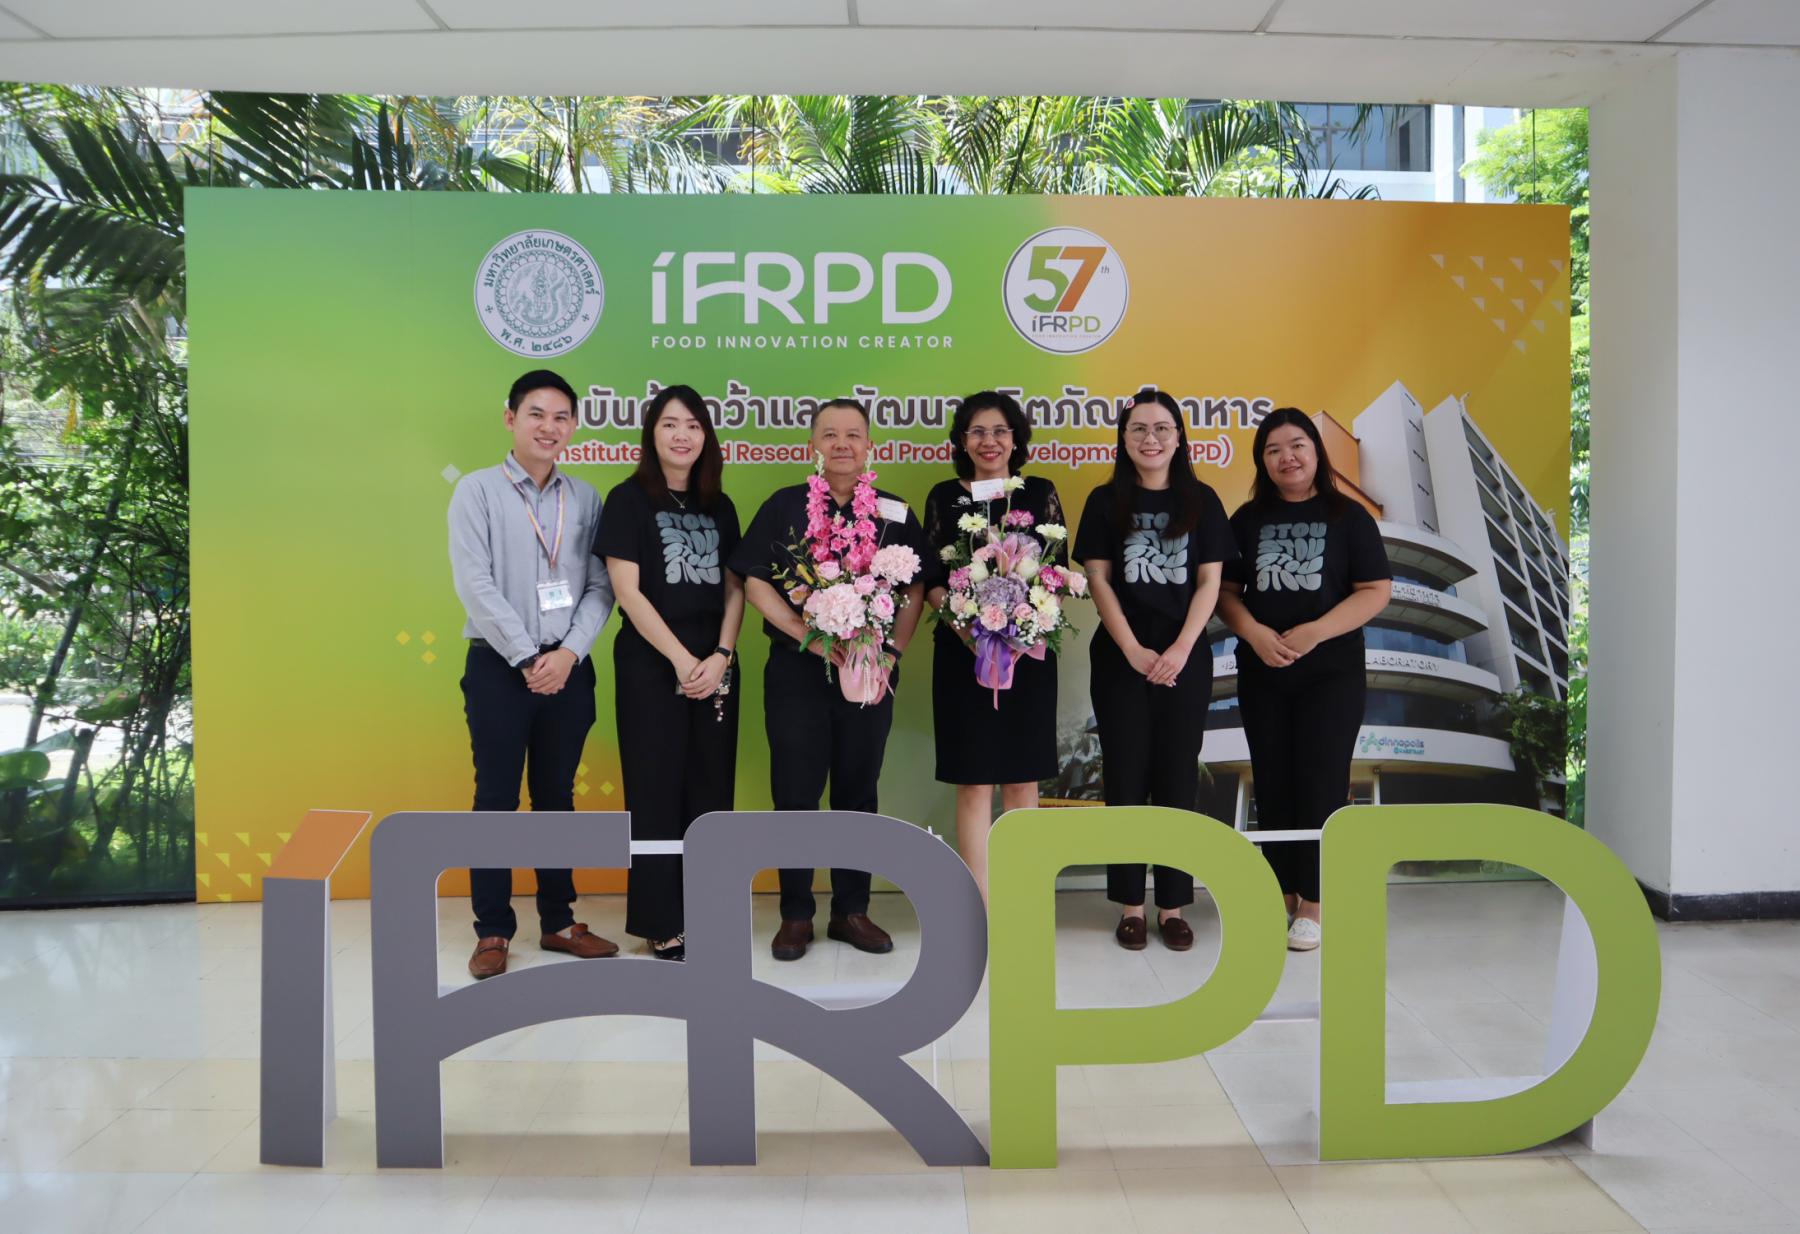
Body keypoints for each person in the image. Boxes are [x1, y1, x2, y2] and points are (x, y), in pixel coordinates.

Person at [728, 397, 927, 961]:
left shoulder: (893, 511)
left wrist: (893, 652)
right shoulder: (785, 505)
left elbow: (916, 587)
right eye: (830, 434)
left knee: (858, 791)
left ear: (870, 446)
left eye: (853, 434)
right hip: (796, 672)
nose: (842, 444)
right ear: (813, 445)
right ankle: (795, 914)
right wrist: (804, 633)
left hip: (868, 673)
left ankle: (851, 910)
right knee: (795, 793)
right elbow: (753, 579)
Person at [448, 369, 619, 980]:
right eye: (536, 414)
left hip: (568, 669)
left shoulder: (587, 498)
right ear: (511, 418)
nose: (549, 427)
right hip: (500, 666)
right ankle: (492, 929)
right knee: (495, 796)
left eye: (561, 417)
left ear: (573, 426)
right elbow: (475, 584)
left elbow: (601, 586)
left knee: (556, 797)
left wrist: (568, 654)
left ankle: (559, 921)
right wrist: (526, 658)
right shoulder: (477, 491)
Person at [1216, 408, 1392, 952]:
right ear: (1261, 461)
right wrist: (1254, 634)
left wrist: (1315, 631)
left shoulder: (1349, 517)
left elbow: (1375, 590)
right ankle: (1282, 892)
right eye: (1273, 450)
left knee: (1322, 781)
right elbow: (1225, 593)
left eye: (1297, 445)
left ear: (1316, 451)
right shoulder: (1246, 520)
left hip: (1331, 674)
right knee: (1272, 781)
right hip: (1264, 671)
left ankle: (1315, 902)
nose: (1286, 457)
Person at [1074, 388, 1237, 952]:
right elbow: (1098, 579)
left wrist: (1182, 649)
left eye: (1162, 428)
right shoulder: (1104, 500)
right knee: (1124, 777)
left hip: (1185, 659)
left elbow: (1210, 582)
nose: (1151, 438)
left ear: (1179, 437)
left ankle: (1172, 906)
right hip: (1120, 659)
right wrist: (1133, 649)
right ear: (1124, 438)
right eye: (1139, 428)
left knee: (1176, 777)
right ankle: (1130, 906)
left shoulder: (1202, 500)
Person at [598, 384, 743, 963]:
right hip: (652, 667)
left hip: (716, 665)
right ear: (651, 434)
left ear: (706, 436)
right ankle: (661, 922)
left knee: (711, 789)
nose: (682, 435)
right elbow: (627, 592)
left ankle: (709, 909)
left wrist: (722, 655)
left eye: (693, 425)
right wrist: (682, 660)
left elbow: (735, 589)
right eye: (669, 424)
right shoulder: (627, 499)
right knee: (654, 790)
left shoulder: (719, 505)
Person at [921, 390, 1065, 901]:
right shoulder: (944, 496)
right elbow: (932, 577)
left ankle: (1022, 896)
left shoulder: (1039, 491)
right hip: (964, 655)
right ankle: (979, 901)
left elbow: (1055, 570)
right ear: (963, 440)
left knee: (1024, 778)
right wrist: (970, 632)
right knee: (974, 778)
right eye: (978, 431)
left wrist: (1022, 630)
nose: (990, 441)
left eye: (1000, 431)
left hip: (1028, 654)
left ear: (1015, 438)